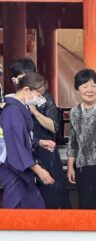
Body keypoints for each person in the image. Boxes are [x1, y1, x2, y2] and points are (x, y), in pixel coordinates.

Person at [10, 58, 70, 209]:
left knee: (52, 189)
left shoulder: (43, 97)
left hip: (45, 149)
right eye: (19, 77)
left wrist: (35, 112)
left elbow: (54, 127)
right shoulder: (13, 102)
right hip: (26, 150)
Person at [0, 72, 55, 208]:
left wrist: (39, 142)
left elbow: (19, 137)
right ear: (26, 90)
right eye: (39, 94)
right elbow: (15, 145)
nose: (41, 98)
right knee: (20, 214)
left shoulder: (17, 109)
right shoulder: (12, 111)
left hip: (18, 170)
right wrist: (38, 170)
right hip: (14, 171)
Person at [67, 69, 96, 209]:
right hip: (83, 166)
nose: (90, 90)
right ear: (77, 89)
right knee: (87, 206)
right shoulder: (74, 112)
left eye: (93, 86)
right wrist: (70, 166)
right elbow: (73, 141)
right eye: (85, 86)